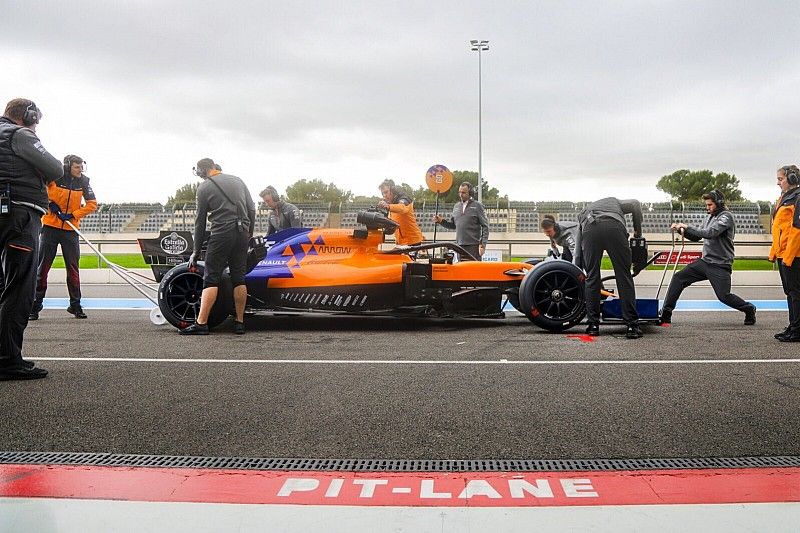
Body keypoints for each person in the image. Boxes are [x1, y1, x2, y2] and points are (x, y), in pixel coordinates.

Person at [0, 98, 63, 380]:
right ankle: (8, 360)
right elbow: (56, 169)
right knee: (19, 288)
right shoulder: (20, 134)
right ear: (28, 115)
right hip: (18, 215)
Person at [180, 158, 256, 335]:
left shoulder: (204, 187)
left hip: (222, 232)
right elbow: (252, 208)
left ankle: (201, 323)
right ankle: (239, 322)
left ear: (201, 170)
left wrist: (195, 251)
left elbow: (200, 222)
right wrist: (249, 230)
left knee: (211, 277)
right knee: (239, 277)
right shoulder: (237, 180)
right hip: (242, 232)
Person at [660, 190, 756, 326]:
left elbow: (711, 233)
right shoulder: (709, 217)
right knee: (678, 278)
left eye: (710, 205)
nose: (707, 207)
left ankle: (749, 308)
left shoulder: (726, 217)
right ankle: (666, 314)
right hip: (705, 262)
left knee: (724, 297)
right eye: (707, 205)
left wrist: (687, 226)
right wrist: (682, 231)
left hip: (720, 264)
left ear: (719, 203)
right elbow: (697, 236)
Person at [29, 154, 98, 320]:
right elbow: (40, 191)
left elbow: (92, 204)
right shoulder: (54, 177)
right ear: (68, 166)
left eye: (82, 166)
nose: (80, 170)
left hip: (70, 230)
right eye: (77, 167)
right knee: (42, 269)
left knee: (73, 269)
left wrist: (74, 214)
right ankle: (35, 306)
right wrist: (50, 204)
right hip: (50, 228)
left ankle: (75, 305)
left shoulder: (84, 182)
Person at [579, 197, 643, 339]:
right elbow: (635, 204)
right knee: (623, 276)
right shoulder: (616, 202)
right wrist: (638, 232)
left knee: (592, 277)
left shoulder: (584, 211)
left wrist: (578, 266)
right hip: (613, 226)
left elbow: (579, 243)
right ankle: (632, 325)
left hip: (590, 229)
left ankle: (593, 326)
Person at [769, 165, 800, 342]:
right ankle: (793, 325)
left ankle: (797, 330)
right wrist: (775, 252)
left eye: (781, 179)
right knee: (790, 292)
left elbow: (796, 230)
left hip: (794, 255)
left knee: (796, 293)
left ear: (793, 178)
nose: (778, 182)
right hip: (784, 253)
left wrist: (788, 255)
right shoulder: (785, 198)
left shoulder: (797, 198)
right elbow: (779, 228)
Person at [433, 182, 489, 261]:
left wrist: (483, 245)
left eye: (463, 192)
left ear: (470, 193)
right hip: (459, 246)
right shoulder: (456, 206)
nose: (461, 195)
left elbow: (485, 226)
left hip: (473, 246)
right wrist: (441, 221)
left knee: (473, 271)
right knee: (461, 271)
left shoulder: (478, 206)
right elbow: (453, 225)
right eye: (459, 192)